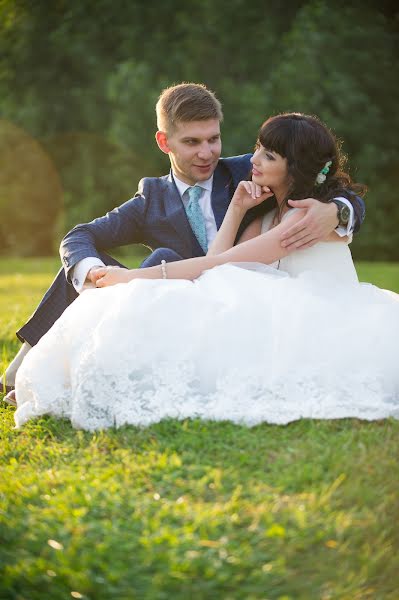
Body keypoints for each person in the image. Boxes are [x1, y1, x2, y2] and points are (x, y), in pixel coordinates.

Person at [13, 112, 398, 430]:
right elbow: (219, 266)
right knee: (110, 272)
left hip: (305, 315)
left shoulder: (300, 211)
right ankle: (29, 365)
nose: (252, 159)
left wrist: (340, 209)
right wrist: (236, 208)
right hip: (216, 288)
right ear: (165, 143)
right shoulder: (160, 197)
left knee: (157, 282)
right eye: (193, 142)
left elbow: (217, 264)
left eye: (213, 139)